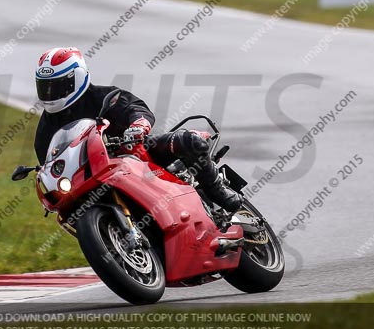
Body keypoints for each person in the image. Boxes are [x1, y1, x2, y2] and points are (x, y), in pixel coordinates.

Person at [33, 47, 241, 212]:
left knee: (189, 142)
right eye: (45, 86)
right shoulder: (45, 131)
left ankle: (219, 192)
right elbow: (50, 163)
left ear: (76, 78)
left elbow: (136, 109)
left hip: (137, 155)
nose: (51, 93)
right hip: (91, 178)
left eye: (58, 86)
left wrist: (138, 125)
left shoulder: (105, 96)